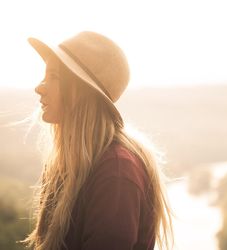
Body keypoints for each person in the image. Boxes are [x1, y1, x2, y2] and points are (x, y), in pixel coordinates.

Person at [22, 31, 174, 250]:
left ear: (82, 92)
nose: (39, 87)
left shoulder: (116, 172)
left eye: (53, 76)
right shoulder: (67, 164)